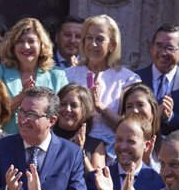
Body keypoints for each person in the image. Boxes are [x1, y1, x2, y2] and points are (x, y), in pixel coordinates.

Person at [65, 14, 141, 160]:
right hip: (73, 148)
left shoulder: (128, 79)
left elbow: (134, 128)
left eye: (99, 39)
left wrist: (101, 108)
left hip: (115, 153)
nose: (93, 44)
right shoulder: (67, 75)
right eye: (89, 38)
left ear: (112, 45)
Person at [0, 17, 68, 133]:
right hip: (6, 141)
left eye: (31, 41)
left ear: (41, 45)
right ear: (12, 46)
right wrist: (21, 97)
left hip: (44, 144)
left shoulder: (57, 75)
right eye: (20, 41)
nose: (26, 46)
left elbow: (62, 113)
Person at [134, 24, 179, 133]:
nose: (163, 53)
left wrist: (170, 117)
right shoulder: (135, 79)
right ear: (151, 48)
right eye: (159, 46)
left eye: (170, 48)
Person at [55, 82, 106, 173]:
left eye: (74, 105)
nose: (67, 109)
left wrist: (80, 152)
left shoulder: (95, 145)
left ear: (85, 112)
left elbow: (98, 183)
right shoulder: (46, 137)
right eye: (63, 104)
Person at [119, 83, 163, 170]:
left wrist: (147, 161)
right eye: (129, 106)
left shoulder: (166, 145)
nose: (135, 111)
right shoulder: (118, 144)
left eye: (140, 105)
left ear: (153, 109)